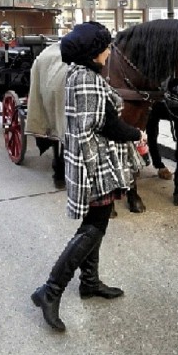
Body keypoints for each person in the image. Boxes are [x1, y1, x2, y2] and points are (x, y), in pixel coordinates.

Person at [31, 21, 146, 332]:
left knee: (97, 223)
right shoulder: (87, 80)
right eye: (105, 47)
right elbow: (106, 125)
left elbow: (103, 119)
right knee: (93, 228)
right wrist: (137, 133)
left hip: (97, 160)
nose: (109, 52)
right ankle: (50, 291)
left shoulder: (84, 75)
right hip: (94, 164)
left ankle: (90, 283)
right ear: (93, 53)